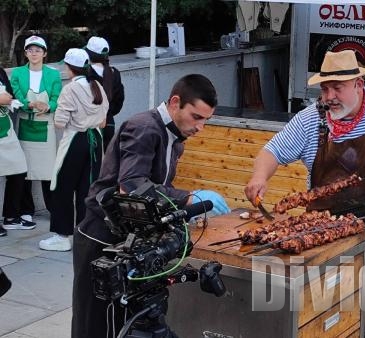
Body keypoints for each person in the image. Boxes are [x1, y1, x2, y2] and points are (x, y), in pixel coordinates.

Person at [244, 50, 365, 337]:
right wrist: (259, 177)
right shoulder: (312, 119)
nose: (330, 96)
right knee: (327, 311)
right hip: (323, 233)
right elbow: (272, 151)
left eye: (337, 87)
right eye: (325, 88)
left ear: (358, 85)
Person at [71, 74, 231, 338]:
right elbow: (131, 185)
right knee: (97, 325)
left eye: (206, 120)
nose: (200, 127)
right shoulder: (144, 127)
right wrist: (189, 198)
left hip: (129, 240)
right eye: (196, 117)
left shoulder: (175, 137)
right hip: (100, 237)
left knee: (129, 319)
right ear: (175, 102)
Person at [38, 49, 108, 251]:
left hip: (75, 140)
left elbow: (60, 122)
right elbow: (103, 122)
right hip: (95, 140)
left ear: (70, 68)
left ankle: (62, 236)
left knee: (62, 188)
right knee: (88, 189)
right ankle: (85, 234)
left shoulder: (70, 89)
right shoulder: (97, 86)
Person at [10, 35, 62, 228]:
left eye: (38, 50)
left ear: (45, 53)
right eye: (30, 50)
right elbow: (14, 96)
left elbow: (58, 98)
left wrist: (48, 107)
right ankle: (26, 211)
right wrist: (29, 103)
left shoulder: (53, 75)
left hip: (46, 125)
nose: (34, 53)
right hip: (25, 124)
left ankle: (54, 209)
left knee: (49, 171)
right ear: (25, 53)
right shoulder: (17, 73)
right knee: (24, 171)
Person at [84, 36, 125, 150]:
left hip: (88, 125)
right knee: (107, 162)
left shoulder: (86, 73)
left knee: (92, 163)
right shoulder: (114, 73)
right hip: (109, 123)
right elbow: (119, 100)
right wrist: (109, 113)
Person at [1, 66, 28, 236]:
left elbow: (9, 95)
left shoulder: (0, 71)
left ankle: (11, 216)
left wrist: (7, 99)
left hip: (6, 130)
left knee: (19, 169)